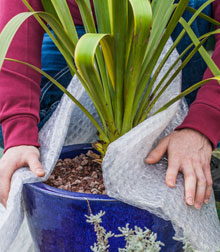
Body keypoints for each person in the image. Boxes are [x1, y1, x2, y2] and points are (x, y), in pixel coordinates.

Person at [0, 0, 220, 209]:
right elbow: (19, 12)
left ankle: (195, 153)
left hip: (172, 22)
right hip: (81, 29)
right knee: (10, 124)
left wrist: (202, 124)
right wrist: (18, 130)